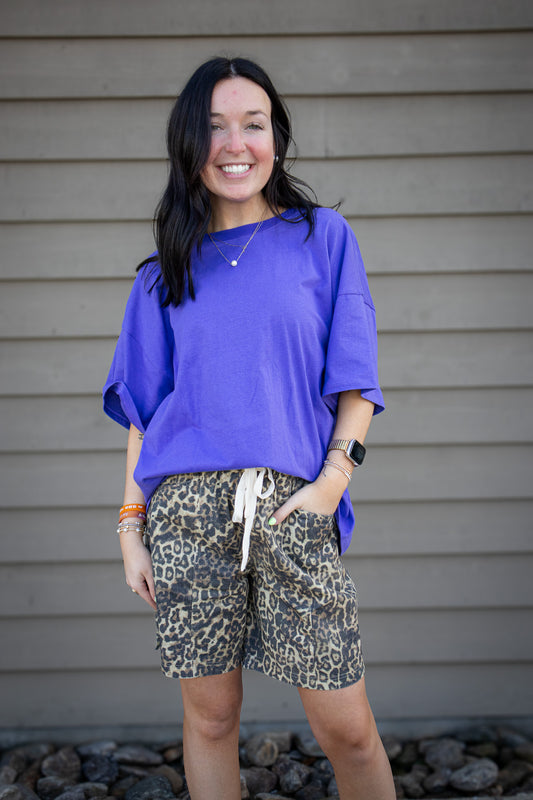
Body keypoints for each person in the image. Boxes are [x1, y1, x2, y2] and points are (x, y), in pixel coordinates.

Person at [103, 56, 395, 800]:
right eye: (212, 128)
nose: (235, 144)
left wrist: (333, 481)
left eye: (253, 125)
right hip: (187, 518)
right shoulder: (162, 273)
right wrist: (131, 526)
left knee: (348, 730)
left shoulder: (322, 239)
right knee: (208, 722)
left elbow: (356, 381)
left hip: (295, 504)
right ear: (187, 147)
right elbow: (145, 414)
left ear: (276, 138)